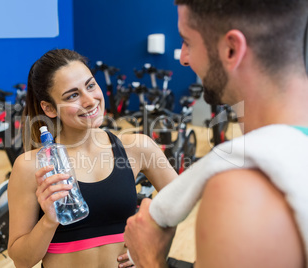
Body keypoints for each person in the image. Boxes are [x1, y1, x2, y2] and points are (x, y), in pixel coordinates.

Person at [124, 0, 308, 268]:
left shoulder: (240, 193)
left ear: (231, 49)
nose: (183, 58)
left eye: (187, 42)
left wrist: (149, 259)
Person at [7, 48, 177, 268]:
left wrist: (154, 247)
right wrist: (49, 221)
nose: (90, 100)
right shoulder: (30, 166)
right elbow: (22, 261)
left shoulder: (137, 147)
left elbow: (182, 202)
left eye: (90, 85)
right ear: (48, 108)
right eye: (73, 95)